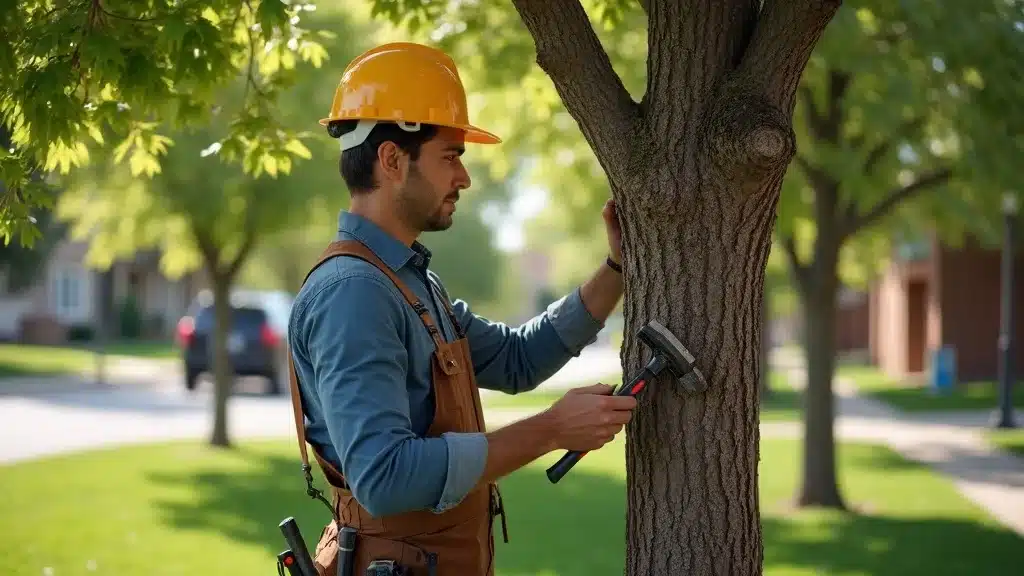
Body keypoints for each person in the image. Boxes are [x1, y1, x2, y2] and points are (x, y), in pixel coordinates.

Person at [285, 41, 636, 576]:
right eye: (451, 157)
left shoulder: (410, 283)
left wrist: (616, 269)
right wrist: (550, 430)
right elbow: (384, 477)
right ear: (391, 160)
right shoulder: (354, 293)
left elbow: (517, 359)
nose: (464, 178)